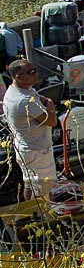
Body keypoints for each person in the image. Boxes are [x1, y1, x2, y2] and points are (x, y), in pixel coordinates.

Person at [4, 60, 58, 199]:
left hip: (25, 147)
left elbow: (40, 97)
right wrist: (50, 106)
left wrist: (45, 103)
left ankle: (32, 214)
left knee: (30, 182)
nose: (36, 74)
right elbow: (52, 121)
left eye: (35, 70)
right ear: (18, 76)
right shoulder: (24, 100)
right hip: (37, 150)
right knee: (45, 187)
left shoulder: (17, 91)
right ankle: (43, 216)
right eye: (31, 72)